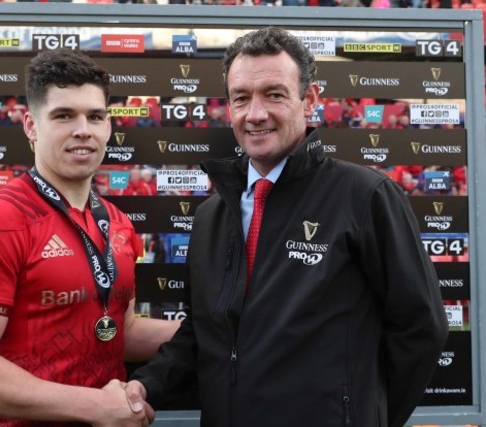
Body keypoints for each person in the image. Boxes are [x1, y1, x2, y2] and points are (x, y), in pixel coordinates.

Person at [125, 27, 448, 427]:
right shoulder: (211, 216)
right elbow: (202, 334)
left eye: (274, 94)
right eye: (241, 98)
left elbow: (422, 329)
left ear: (308, 100)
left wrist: (367, 417)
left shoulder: (365, 196)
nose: (256, 114)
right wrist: (148, 384)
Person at [0, 48, 180, 426]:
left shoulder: (118, 223)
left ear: (109, 127)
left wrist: (220, 333)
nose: (83, 129)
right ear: (31, 126)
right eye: (64, 115)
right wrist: (96, 407)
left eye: (95, 116)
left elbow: (120, 330)